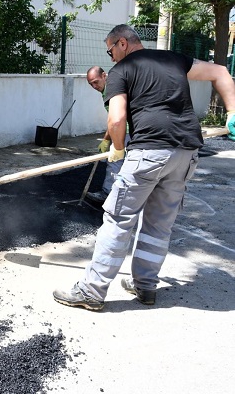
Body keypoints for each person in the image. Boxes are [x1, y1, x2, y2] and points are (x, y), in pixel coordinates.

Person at [53, 24, 235, 311]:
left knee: (118, 220)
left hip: (149, 151)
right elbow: (221, 72)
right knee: (158, 224)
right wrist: (233, 112)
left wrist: (117, 147)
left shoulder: (121, 72)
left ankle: (92, 290)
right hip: (185, 152)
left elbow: (116, 120)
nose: (110, 57)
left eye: (110, 50)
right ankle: (145, 286)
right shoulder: (174, 59)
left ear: (122, 43)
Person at [85, 66, 130, 203]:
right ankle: (124, 196)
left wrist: (107, 141)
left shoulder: (113, 89)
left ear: (104, 75)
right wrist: (106, 139)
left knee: (114, 161)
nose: (94, 86)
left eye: (96, 81)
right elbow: (112, 119)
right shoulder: (108, 89)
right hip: (125, 129)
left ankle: (108, 194)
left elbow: (117, 120)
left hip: (127, 131)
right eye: (90, 84)